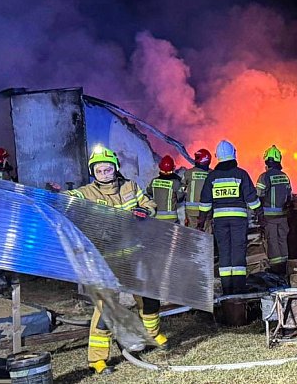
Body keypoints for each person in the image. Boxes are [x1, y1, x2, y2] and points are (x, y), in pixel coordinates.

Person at [64, 146, 166, 374]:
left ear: (115, 168)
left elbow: (150, 205)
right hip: (106, 259)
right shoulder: (88, 193)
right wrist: (55, 195)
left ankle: (152, 335)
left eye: (108, 168)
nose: (104, 173)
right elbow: (68, 199)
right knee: (106, 308)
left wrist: (145, 212)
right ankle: (98, 359)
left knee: (150, 296)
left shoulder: (130, 187)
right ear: (93, 173)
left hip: (134, 253)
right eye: (99, 170)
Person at [197, 140, 261, 295]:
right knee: (238, 252)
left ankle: (227, 290)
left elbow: (205, 201)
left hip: (220, 221)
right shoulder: (241, 174)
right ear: (233, 154)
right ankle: (239, 289)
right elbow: (251, 197)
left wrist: (201, 221)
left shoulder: (212, 177)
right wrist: (260, 213)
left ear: (217, 156)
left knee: (224, 253)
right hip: (238, 220)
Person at [255, 145, 292, 276]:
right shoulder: (285, 176)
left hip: (269, 217)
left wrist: (258, 215)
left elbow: (258, 195)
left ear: (267, 161)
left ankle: (276, 270)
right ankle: (285, 267)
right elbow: (289, 197)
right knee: (283, 239)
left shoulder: (264, 177)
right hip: (282, 216)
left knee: (272, 241)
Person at [147, 155, 184, 223]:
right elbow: (180, 198)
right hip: (171, 219)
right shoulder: (175, 182)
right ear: (172, 169)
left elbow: (149, 192)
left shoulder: (154, 181)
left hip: (156, 217)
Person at [182, 149, 211, 229]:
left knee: (192, 235)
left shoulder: (188, 173)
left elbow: (181, 190)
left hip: (191, 212)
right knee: (207, 235)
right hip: (207, 212)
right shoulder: (212, 174)